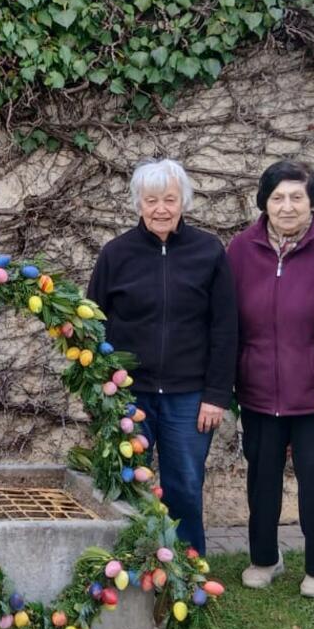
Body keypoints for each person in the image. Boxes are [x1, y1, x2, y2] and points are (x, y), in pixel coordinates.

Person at [85, 158, 237, 555]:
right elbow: (91, 326)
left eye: (170, 199)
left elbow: (225, 327)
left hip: (190, 397)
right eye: (151, 200)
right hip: (129, 395)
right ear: (138, 204)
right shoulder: (116, 254)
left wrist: (217, 394)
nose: (161, 209)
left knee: (184, 484)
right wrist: (101, 392)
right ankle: (124, 564)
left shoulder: (208, 252)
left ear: (183, 201)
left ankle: (187, 571)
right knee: (125, 482)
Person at [228, 160, 314, 597]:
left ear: (313, 202)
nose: (286, 206)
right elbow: (229, 319)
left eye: (297, 197)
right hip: (258, 389)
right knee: (261, 478)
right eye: (277, 196)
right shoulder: (241, 249)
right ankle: (265, 558)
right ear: (264, 201)